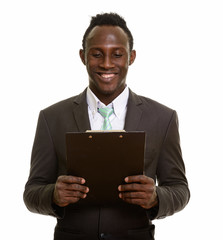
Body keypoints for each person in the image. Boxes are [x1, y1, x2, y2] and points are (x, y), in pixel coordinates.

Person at [24, 12, 190, 240]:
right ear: (83, 56)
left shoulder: (163, 118)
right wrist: (53, 195)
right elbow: (32, 192)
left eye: (117, 54)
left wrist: (156, 197)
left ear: (131, 57)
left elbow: (180, 188)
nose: (107, 64)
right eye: (97, 54)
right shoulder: (51, 117)